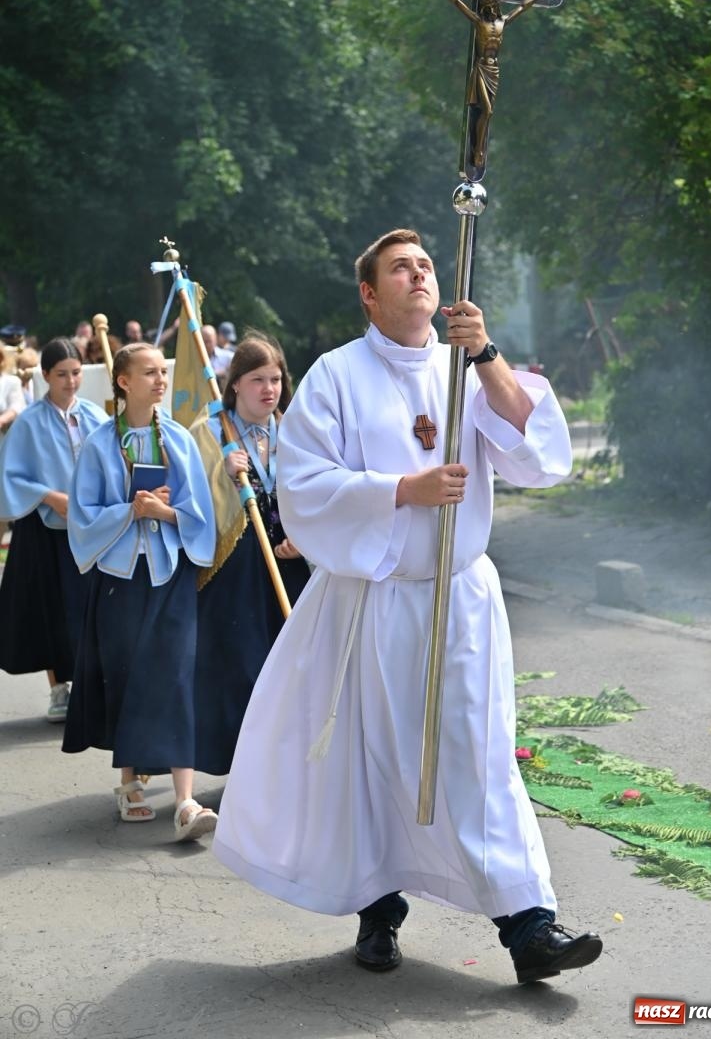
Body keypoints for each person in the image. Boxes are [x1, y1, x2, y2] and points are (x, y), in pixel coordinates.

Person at [214, 228, 603, 984]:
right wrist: (402, 490)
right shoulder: (334, 377)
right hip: (374, 601)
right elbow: (302, 488)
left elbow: (536, 454)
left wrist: (486, 355)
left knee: (479, 757)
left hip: (459, 602)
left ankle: (529, 926)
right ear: (369, 293)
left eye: (426, 264)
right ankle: (378, 914)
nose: (419, 275)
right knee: (376, 763)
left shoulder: (468, 369)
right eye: (400, 268)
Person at [63, 342, 218, 840]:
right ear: (123, 381)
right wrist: (130, 510)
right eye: (149, 372)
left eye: (162, 371)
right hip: (119, 579)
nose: (160, 380)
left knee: (176, 675)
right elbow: (82, 516)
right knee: (126, 675)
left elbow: (201, 518)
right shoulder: (99, 444)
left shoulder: (178, 439)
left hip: (169, 575)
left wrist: (164, 513)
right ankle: (129, 783)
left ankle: (186, 801)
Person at [193, 332, 310, 776]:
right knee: (242, 669)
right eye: (258, 379)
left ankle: (286, 771)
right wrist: (222, 474)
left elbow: (316, 491)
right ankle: (245, 771)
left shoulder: (294, 429)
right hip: (234, 569)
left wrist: (305, 536)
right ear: (235, 383)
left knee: (291, 669)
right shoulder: (208, 432)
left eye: (276, 379)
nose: (269, 389)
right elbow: (190, 504)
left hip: (289, 564)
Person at [0, 338, 108, 721]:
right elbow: (9, 475)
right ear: (45, 376)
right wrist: (48, 496)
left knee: (92, 607)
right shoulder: (28, 422)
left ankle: (97, 684)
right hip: (47, 531)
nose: (71, 381)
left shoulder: (96, 417)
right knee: (54, 610)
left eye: (76, 372)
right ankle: (59, 689)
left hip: (91, 528)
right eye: (61, 374)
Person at [423, 0, 547, 171]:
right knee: (487, 111)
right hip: (480, 68)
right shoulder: (478, 21)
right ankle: (478, 150)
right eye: (486, 2)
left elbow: (523, 7)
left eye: (491, 2)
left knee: (488, 111)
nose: (488, 5)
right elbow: (456, 1)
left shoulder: (503, 22)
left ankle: (479, 148)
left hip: (493, 70)